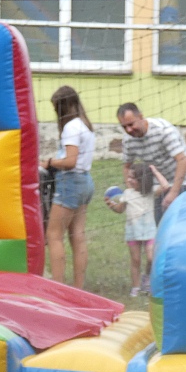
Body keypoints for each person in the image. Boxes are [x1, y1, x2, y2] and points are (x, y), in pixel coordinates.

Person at [43, 86, 96, 289]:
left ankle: (58, 288)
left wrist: (49, 162)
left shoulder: (71, 127)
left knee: (54, 235)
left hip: (71, 183)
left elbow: (70, 161)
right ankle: (78, 288)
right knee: (78, 235)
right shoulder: (85, 125)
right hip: (86, 182)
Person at [117, 103, 186, 222]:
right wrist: (132, 194)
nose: (128, 130)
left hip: (185, 178)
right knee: (160, 223)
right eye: (124, 127)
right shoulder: (128, 140)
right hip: (159, 182)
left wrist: (173, 192)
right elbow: (126, 167)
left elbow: (182, 160)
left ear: (140, 117)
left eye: (131, 124)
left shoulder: (163, 130)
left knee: (184, 222)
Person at [104, 161, 157, 297]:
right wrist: (111, 205)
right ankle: (136, 287)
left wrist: (154, 171)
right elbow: (120, 210)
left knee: (151, 258)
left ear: (141, 180)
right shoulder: (127, 193)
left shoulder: (151, 192)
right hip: (133, 232)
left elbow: (166, 186)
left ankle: (147, 279)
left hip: (149, 231)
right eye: (128, 177)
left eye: (132, 178)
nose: (128, 180)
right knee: (136, 260)